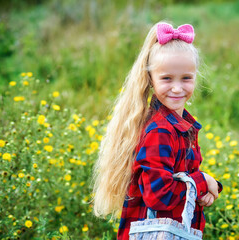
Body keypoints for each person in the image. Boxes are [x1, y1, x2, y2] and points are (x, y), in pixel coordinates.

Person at [91, 21, 222, 240]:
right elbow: (160, 196)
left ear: (195, 77)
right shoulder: (160, 130)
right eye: (167, 79)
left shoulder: (181, 126)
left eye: (186, 78)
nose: (178, 88)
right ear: (151, 80)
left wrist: (206, 189)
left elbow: (181, 175)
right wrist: (202, 181)